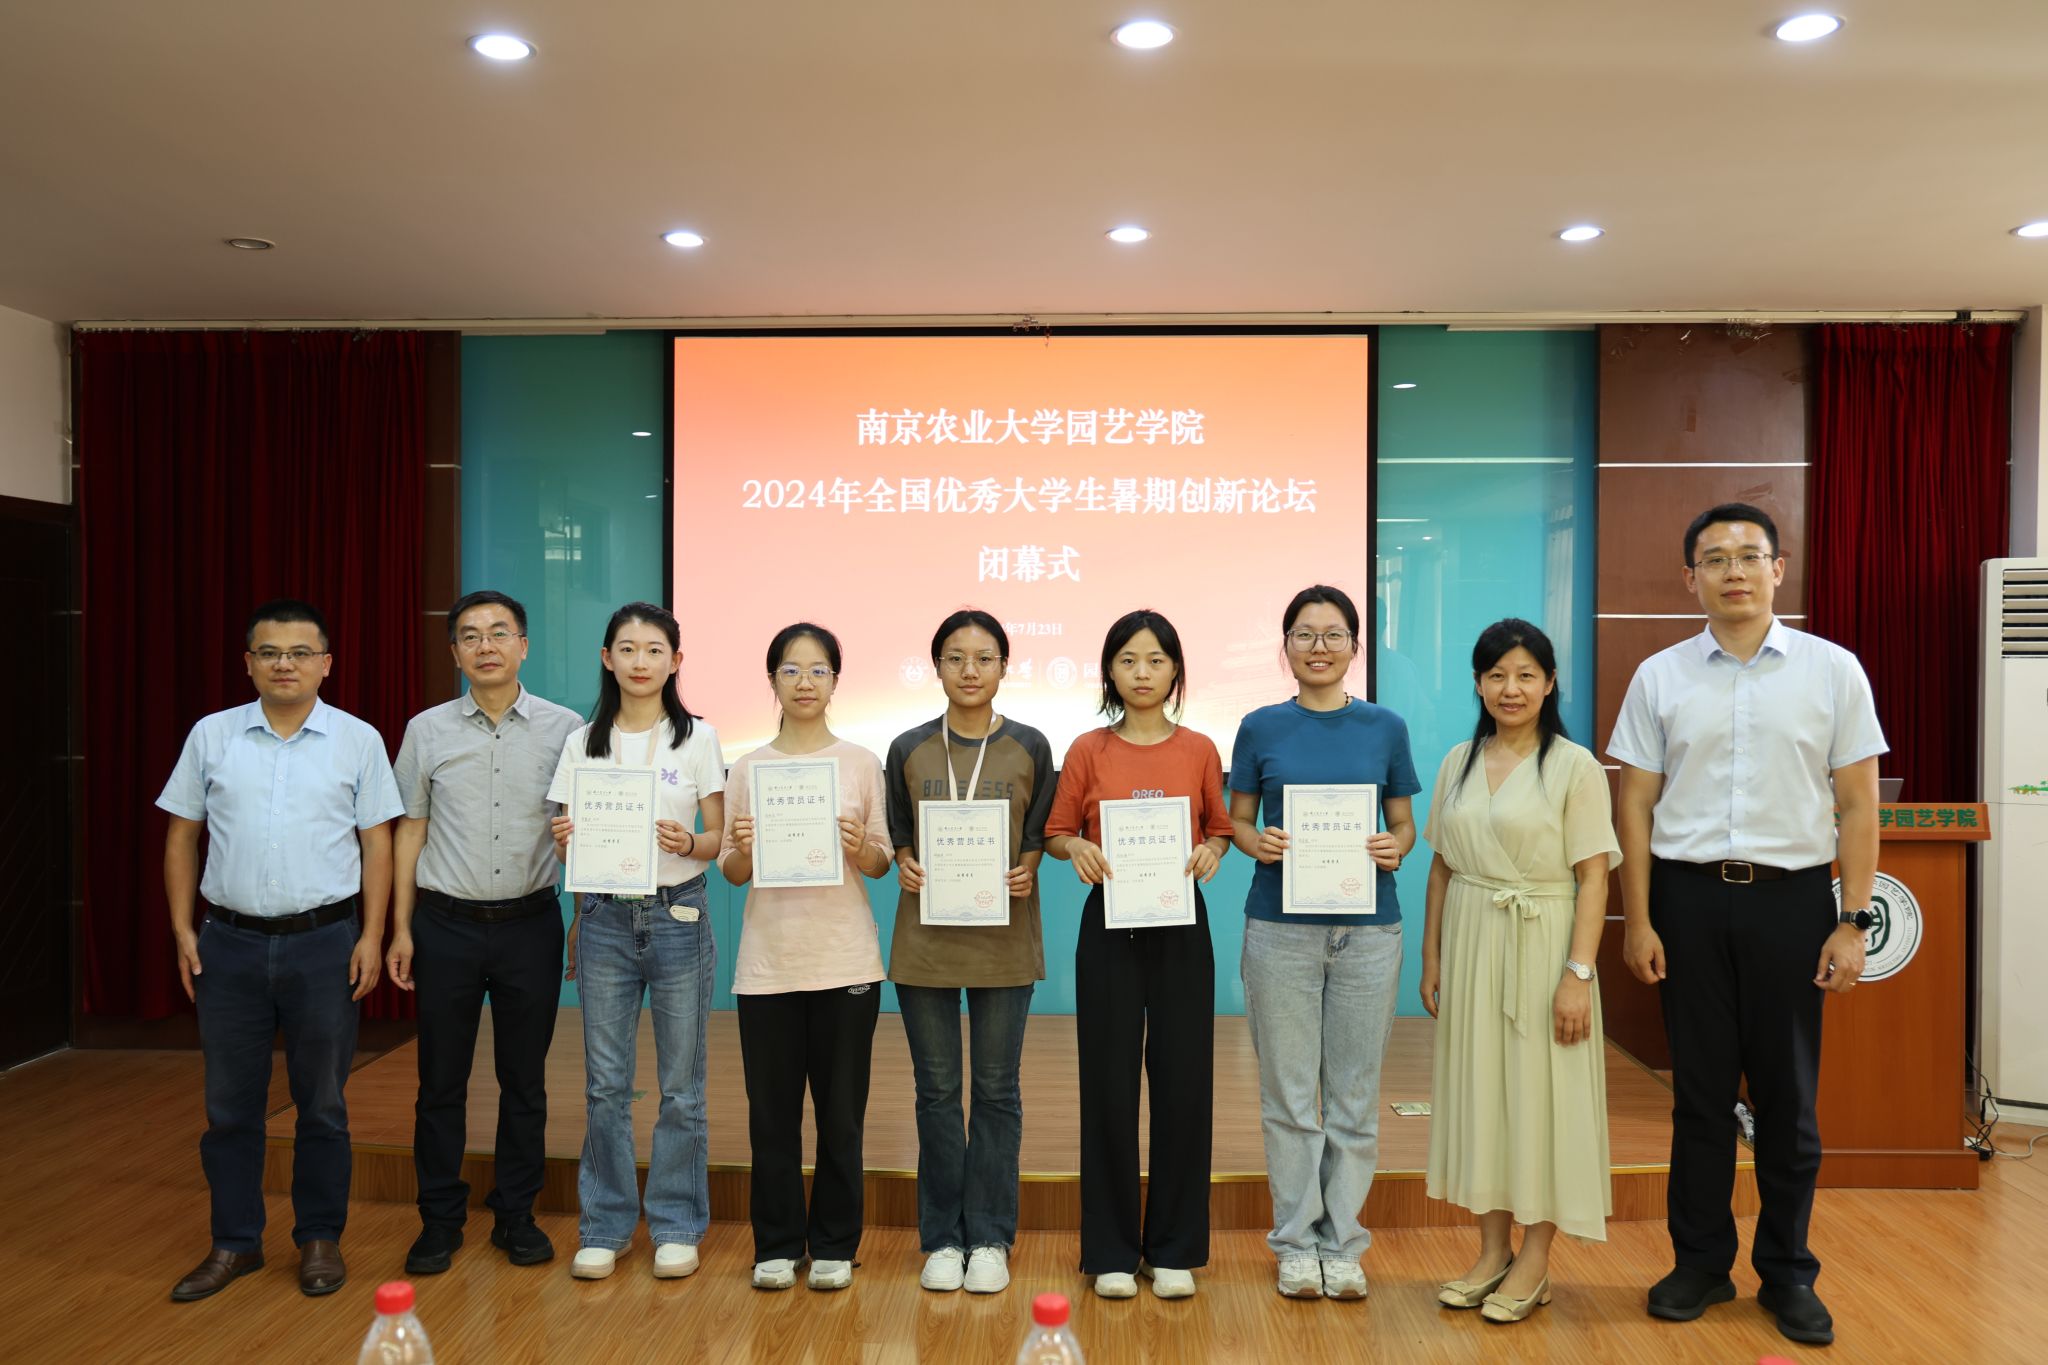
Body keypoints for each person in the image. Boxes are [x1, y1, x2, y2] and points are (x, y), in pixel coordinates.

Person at [1609, 503, 1885, 1348]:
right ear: (1689, 576)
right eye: (1715, 557)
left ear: (1778, 567)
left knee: (1788, 1098)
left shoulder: (1832, 670)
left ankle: (1788, 1272)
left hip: (1792, 902)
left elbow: (1858, 803)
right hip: (1688, 901)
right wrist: (1639, 918)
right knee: (1699, 1096)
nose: (1734, 570)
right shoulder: (1660, 675)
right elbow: (1635, 805)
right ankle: (1699, 1263)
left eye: (1749, 555)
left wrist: (1852, 919)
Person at [160, 599, 402, 1302]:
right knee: (229, 1106)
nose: (284, 664)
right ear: (249, 663)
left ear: (326, 663)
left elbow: (377, 843)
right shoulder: (212, 735)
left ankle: (319, 1238)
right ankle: (234, 1242)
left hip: (324, 943)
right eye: (270, 652)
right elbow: (181, 836)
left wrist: (372, 934)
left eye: (299, 652)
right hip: (228, 944)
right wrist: (182, 929)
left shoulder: (357, 739)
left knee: (321, 1103)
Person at [1419, 619, 1618, 1323]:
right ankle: (1492, 1251)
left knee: (1544, 1100)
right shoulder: (1458, 760)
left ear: (1550, 682)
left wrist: (1578, 975)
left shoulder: (1574, 766)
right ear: (1478, 683)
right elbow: (1441, 867)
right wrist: (1432, 957)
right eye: (1497, 674)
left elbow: (1594, 878)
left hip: (1545, 945)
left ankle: (1535, 1258)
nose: (1512, 688)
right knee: (1485, 1097)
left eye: (1526, 674)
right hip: (1473, 942)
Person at [1227, 585, 1417, 1301]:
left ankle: (1343, 1243)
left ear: (1354, 646)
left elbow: (1403, 825)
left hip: (1368, 932)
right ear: (1286, 646)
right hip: (1279, 931)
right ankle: (1294, 1242)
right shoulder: (1260, 727)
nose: (1318, 647)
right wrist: (1258, 842)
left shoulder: (1385, 726)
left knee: (1354, 1097)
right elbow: (1237, 821)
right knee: (1289, 1095)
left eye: (1333, 634)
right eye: (1304, 634)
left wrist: (1393, 846)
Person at [386, 590, 582, 1275]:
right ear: (455, 653)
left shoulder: (567, 729)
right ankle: (439, 1220)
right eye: (470, 635)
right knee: (440, 1081)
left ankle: (516, 1214)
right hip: (445, 925)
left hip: (531, 922)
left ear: (524, 645)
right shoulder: (426, 730)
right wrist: (400, 928)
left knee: (523, 1081)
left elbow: (584, 832)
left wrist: (581, 917)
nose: (486, 645)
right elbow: (409, 829)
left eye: (500, 632)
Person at [1044, 609, 1235, 1301]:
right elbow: (1057, 832)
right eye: (1128, 660)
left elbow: (1220, 828)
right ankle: (1112, 1250)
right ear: (1110, 671)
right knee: (1109, 1083)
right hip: (1110, 925)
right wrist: (1078, 847)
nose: (1142, 672)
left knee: (1184, 1083)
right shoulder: (1087, 749)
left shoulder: (1201, 748)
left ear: (1175, 670)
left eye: (1156, 660)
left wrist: (1212, 850)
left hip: (1181, 924)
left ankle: (1175, 1248)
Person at [545, 602, 726, 1281]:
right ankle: (606, 1225)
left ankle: (676, 1223)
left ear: (676, 661)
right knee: (605, 1085)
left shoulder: (698, 738)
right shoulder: (582, 742)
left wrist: (689, 842)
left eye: (654, 650)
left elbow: (716, 838)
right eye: (627, 648)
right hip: (604, 921)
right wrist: (563, 839)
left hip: (678, 914)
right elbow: (568, 844)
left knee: (682, 1086)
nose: (640, 661)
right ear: (607, 658)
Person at [885, 609, 1057, 1296]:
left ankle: (988, 1236)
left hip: (1003, 945)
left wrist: (1029, 868)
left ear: (1004, 667)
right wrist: (904, 861)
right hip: (925, 946)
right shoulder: (907, 747)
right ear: (937, 667)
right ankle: (941, 1239)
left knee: (995, 1091)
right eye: (955, 657)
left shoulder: (1031, 745)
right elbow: (899, 831)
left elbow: (1038, 832)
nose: (969, 670)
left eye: (984, 658)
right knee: (936, 1093)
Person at [719, 622, 893, 1292]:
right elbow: (733, 871)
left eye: (818, 670)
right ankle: (777, 1243)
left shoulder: (860, 762)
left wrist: (857, 845)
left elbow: (879, 862)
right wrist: (741, 845)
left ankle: (835, 1244)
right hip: (769, 964)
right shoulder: (748, 768)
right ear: (772, 680)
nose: (804, 683)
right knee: (772, 1116)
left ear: (835, 681)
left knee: (841, 1115)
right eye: (791, 670)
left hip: (846, 962)